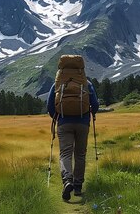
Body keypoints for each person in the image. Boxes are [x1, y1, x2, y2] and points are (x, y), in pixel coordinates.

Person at [47, 60, 99, 201]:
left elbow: (50, 106)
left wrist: (58, 118)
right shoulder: (86, 84)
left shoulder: (57, 83)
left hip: (64, 122)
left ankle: (67, 180)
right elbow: (95, 104)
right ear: (81, 68)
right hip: (82, 123)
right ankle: (77, 186)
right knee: (80, 154)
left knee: (65, 154)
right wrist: (90, 114)